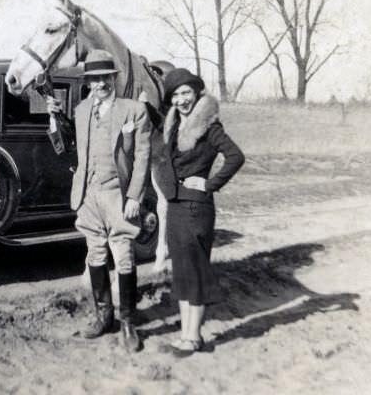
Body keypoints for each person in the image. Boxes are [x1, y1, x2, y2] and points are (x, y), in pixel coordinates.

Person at [47, 48, 152, 353]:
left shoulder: (134, 111)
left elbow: (143, 158)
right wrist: (55, 117)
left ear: (113, 79)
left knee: (124, 255)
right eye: (93, 79)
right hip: (88, 194)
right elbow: (68, 147)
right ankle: (103, 317)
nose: (99, 84)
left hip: (118, 195)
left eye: (105, 78)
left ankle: (128, 322)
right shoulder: (81, 111)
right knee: (95, 254)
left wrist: (134, 196)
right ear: (88, 82)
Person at [155, 68, 244, 357]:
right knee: (181, 273)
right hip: (177, 206)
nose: (182, 100)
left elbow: (235, 156)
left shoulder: (209, 126)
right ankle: (185, 335)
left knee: (195, 272)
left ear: (196, 93)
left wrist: (210, 184)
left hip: (196, 208)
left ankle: (193, 338)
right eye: (176, 95)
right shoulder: (173, 126)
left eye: (186, 93)